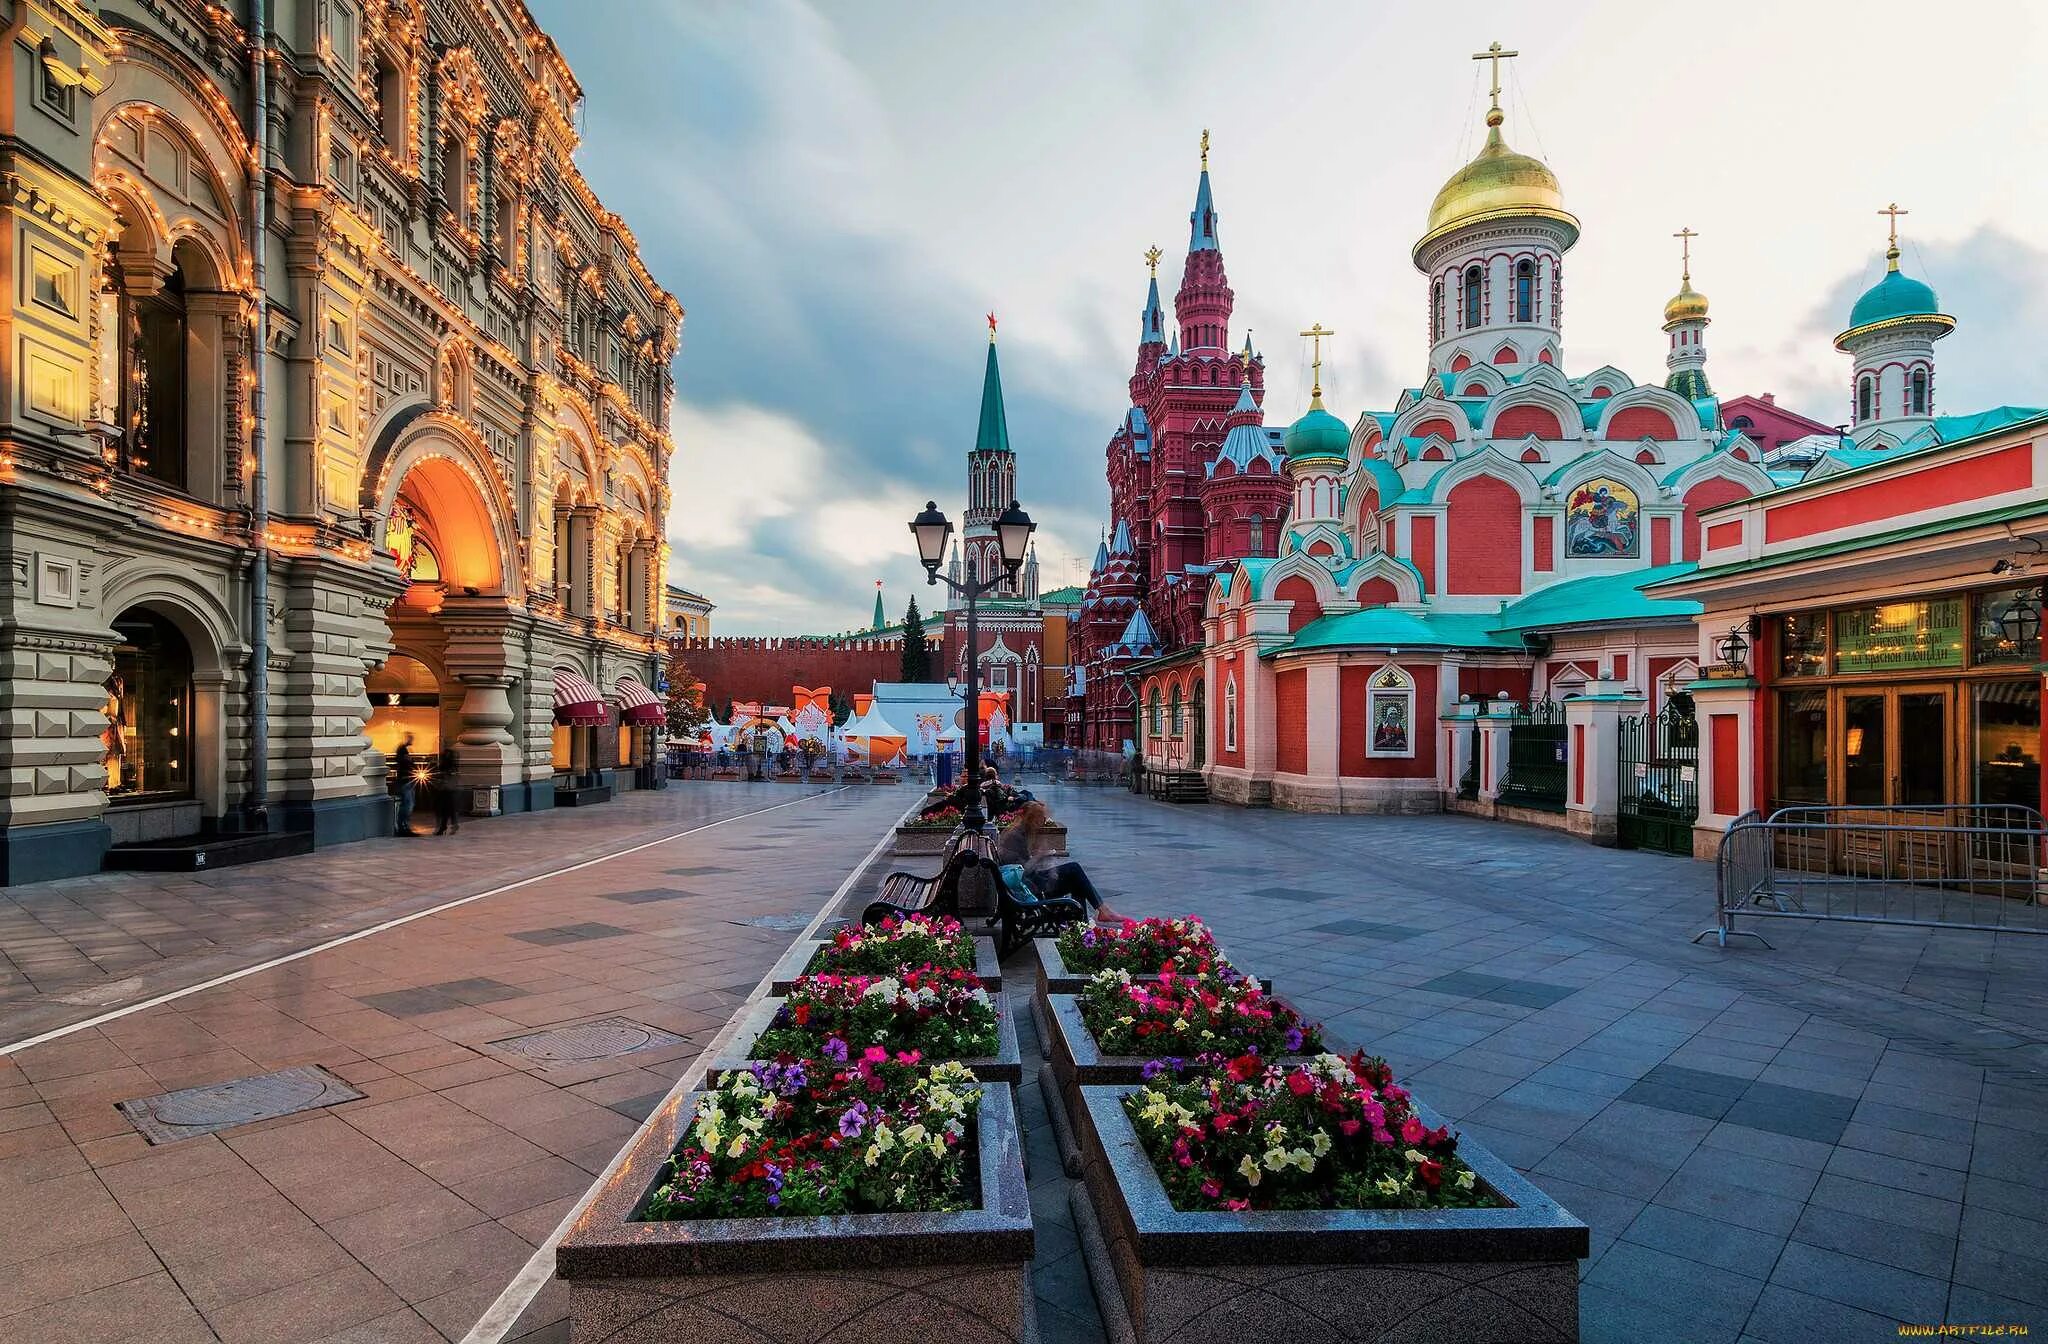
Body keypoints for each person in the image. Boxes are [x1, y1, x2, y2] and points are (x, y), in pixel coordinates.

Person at [996, 800, 1122, 923]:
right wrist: (1040, 856)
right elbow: (1022, 871)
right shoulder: (1015, 836)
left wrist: (1041, 857)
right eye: (1041, 817)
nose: (1044, 820)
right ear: (1032, 818)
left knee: (1076, 878)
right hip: (1029, 888)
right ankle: (1097, 913)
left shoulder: (1019, 832)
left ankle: (1084, 922)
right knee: (1074, 870)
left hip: (1027, 883)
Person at [392, 734, 418, 837]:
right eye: (410, 738)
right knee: (408, 804)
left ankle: (405, 826)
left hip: (408, 781)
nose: (412, 740)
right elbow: (407, 762)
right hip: (405, 781)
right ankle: (403, 826)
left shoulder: (404, 750)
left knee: (410, 804)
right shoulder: (402, 749)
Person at [433, 744, 462, 835]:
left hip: (447, 788)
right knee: (447, 808)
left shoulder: (449, 756)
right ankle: (446, 826)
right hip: (446, 787)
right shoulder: (449, 755)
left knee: (446, 807)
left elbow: (448, 770)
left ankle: (444, 826)